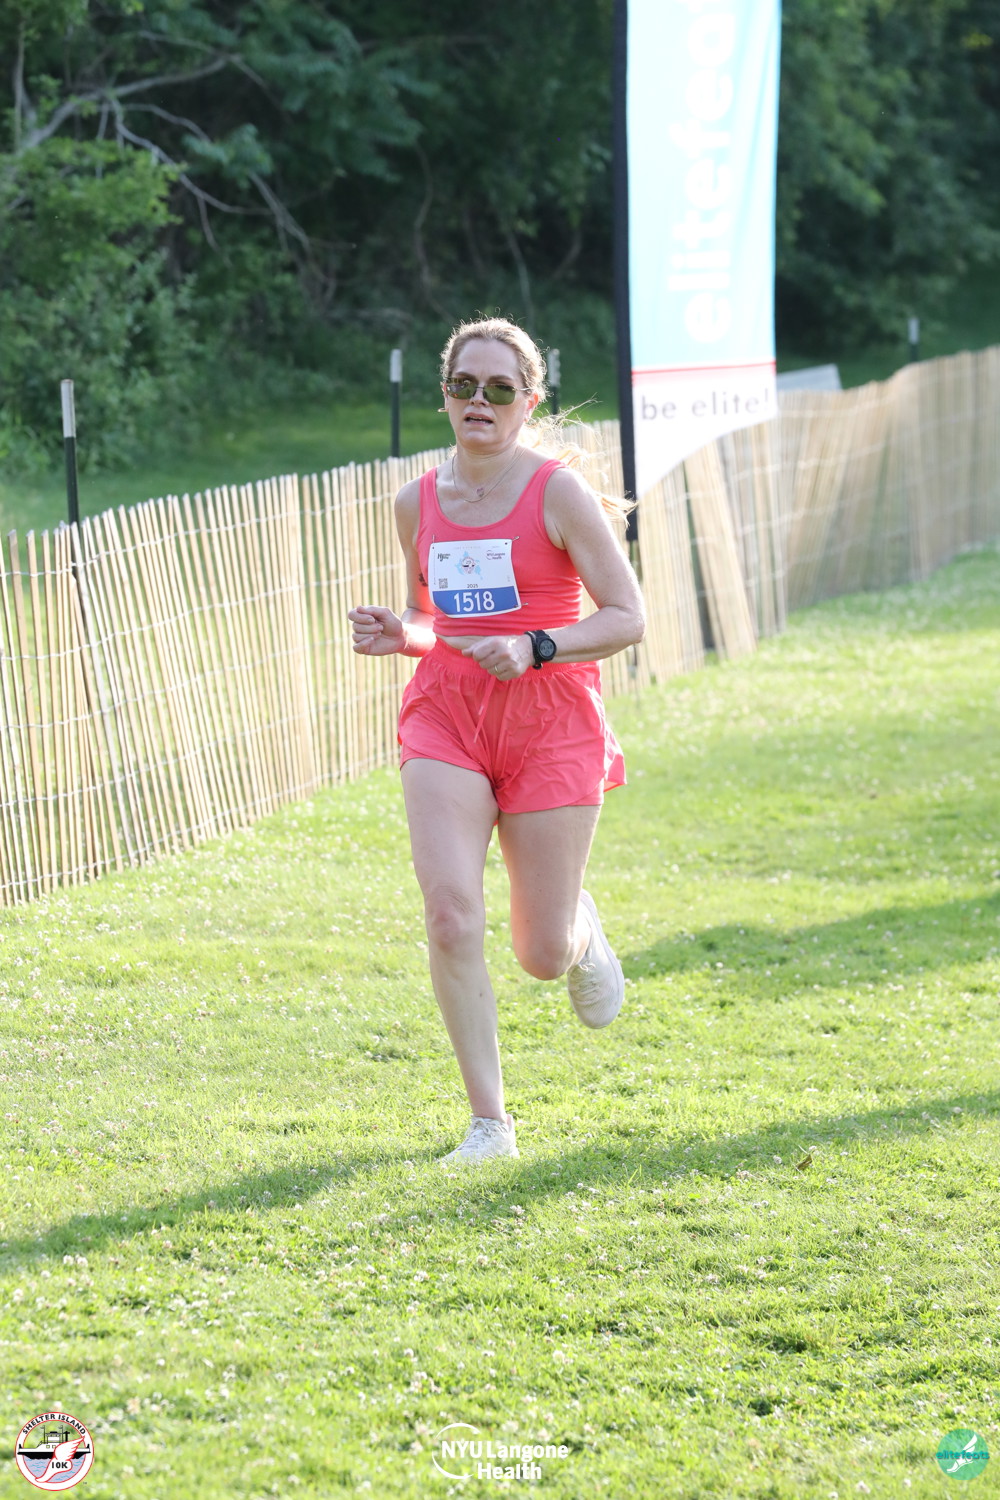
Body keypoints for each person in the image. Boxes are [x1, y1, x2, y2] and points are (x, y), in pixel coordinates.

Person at [348, 316, 645, 1164]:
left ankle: (577, 927)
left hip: (549, 717)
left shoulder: (557, 493)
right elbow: (431, 618)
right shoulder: (416, 502)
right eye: (464, 386)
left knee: (540, 956)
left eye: (500, 389)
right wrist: (401, 634)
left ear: (529, 401)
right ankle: (490, 1125)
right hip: (446, 713)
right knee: (450, 915)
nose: (480, 401)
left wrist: (536, 646)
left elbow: (628, 616)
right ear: (445, 395)